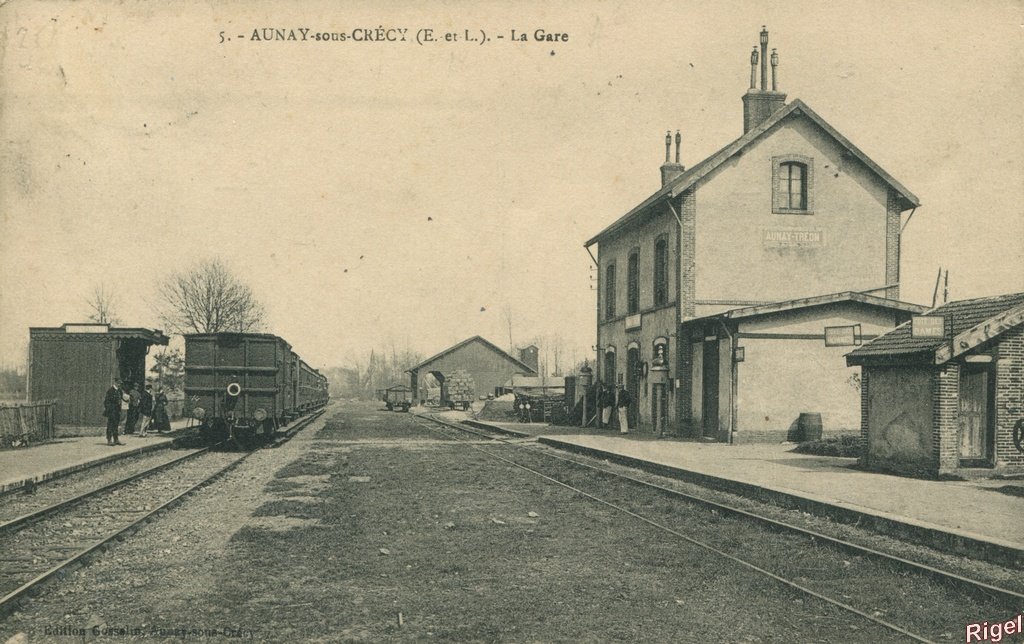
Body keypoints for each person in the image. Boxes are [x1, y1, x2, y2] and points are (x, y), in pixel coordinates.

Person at [102, 378, 124, 445]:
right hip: (112, 411)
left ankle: (116, 439)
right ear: (115, 383)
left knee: (116, 425)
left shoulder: (119, 391)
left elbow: (121, 399)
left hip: (117, 411)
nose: (119, 385)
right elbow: (106, 402)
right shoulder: (110, 391)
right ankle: (109, 440)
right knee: (110, 425)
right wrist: (110, 410)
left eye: (120, 384)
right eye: (118, 383)